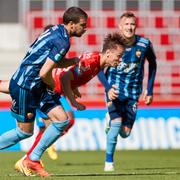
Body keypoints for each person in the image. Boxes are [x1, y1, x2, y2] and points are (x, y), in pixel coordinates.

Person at [0, 32, 125, 176]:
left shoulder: (97, 63)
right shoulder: (92, 61)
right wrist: (72, 101)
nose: (120, 60)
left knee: (58, 122)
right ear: (108, 53)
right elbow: (65, 76)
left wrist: (74, 89)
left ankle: (31, 159)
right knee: (42, 126)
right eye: (119, 56)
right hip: (48, 89)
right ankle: (30, 158)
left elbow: (71, 74)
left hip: (49, 90)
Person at [0, 6, 88, 177]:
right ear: (71, 24)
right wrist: (52, 86)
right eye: (82, 25)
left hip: (34, 84)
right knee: (24, 132)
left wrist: (73, 61)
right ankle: (30, 159)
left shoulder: (56, 30)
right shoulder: (63, 41)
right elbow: (44, 72)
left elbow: (52, 62)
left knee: (63, 120)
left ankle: (32, 159)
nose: (85, 29)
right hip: (28, 86)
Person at [98, 12, 157, 172]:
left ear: (135, 26)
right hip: (115, 92)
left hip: (133, 94)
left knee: (125, 133)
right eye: (126, 24)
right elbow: (98, 68)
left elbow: (153, 64)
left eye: (132, 24)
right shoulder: (112, 45)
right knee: (116, 124)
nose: (129, 27)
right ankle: (108, 163)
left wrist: (149, 90)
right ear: (120, 26)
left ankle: (110, 121)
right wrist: (108, 88)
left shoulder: (144, 44)